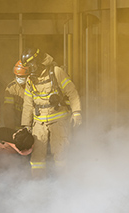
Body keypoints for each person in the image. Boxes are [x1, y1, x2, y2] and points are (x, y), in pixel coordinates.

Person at [19, 48, 82, 178]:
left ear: (37, 61)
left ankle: (63, 183)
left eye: (31, 65)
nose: (30, 69)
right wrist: (26, 125)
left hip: (59, 120)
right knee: (37, 156)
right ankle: (38, 184)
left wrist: (76, 112)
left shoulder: (56, 72)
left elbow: (72, 92)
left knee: (60, 153)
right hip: (39, 121)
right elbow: (28, 104)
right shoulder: (31, 79)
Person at [3, 60, 29, 128]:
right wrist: (10, 128)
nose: (19, 78)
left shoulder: (33, 87)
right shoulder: (11, 88)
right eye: (17, 76)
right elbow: (8, 111)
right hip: (17, 124)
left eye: (22, 77)